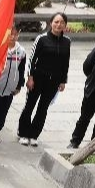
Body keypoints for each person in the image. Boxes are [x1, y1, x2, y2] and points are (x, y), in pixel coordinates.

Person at [17, 12, 71, 146]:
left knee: (43, 108)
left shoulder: (67, 41)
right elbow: (32, 59)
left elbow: (66, 62)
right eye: (56, 22)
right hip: (37, 78)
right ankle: (23, 132)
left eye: (61, 22)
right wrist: (30, 77)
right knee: (30, 105)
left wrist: (63, 80)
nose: (59, 25)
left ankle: (34, 134)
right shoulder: (41, 39)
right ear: (51, 22)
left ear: (65, 25)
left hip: (54, 81)